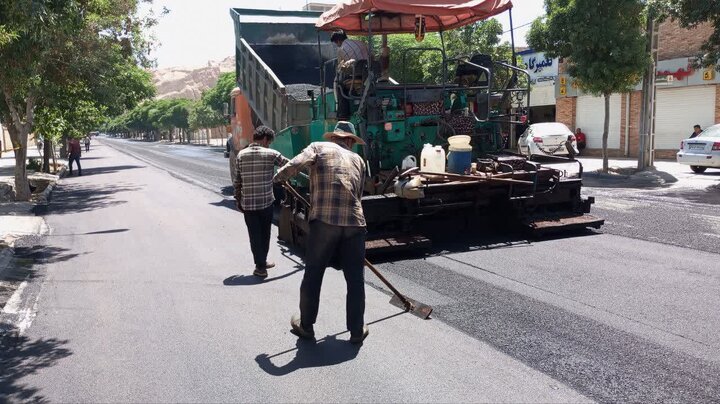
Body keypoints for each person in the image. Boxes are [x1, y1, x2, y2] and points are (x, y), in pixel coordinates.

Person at [273, 121, 369, 344]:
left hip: (325, 221)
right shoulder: (358, 160)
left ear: (335, 138)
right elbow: (358, 194)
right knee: (355, 279)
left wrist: (278, 178)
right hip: (355, 222)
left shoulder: (318, 147)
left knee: (314, 273)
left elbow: (295, 164)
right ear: (350, 141)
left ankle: (306, 326)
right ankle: (356, 330)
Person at [234, 126, 289, 278]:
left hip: (248, 204)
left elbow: (237, 181)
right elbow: (289, 166)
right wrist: (279, 178)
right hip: (265, 203)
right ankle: (260, 267)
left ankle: (261, 263)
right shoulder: (271, 154)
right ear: (265, 139)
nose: (269, 145)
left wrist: (238, 200)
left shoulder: (241, 155)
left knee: (254, 235)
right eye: (269, 142)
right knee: (265, 234)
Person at [330, 30, 369, 120]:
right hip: (368, 75)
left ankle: (343, 114)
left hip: (356, 76)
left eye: (336, 43)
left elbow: (340, 68)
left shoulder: (341, 49)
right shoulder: (361, 43)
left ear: (338, 41)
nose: (337, 45)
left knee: (338, 83)